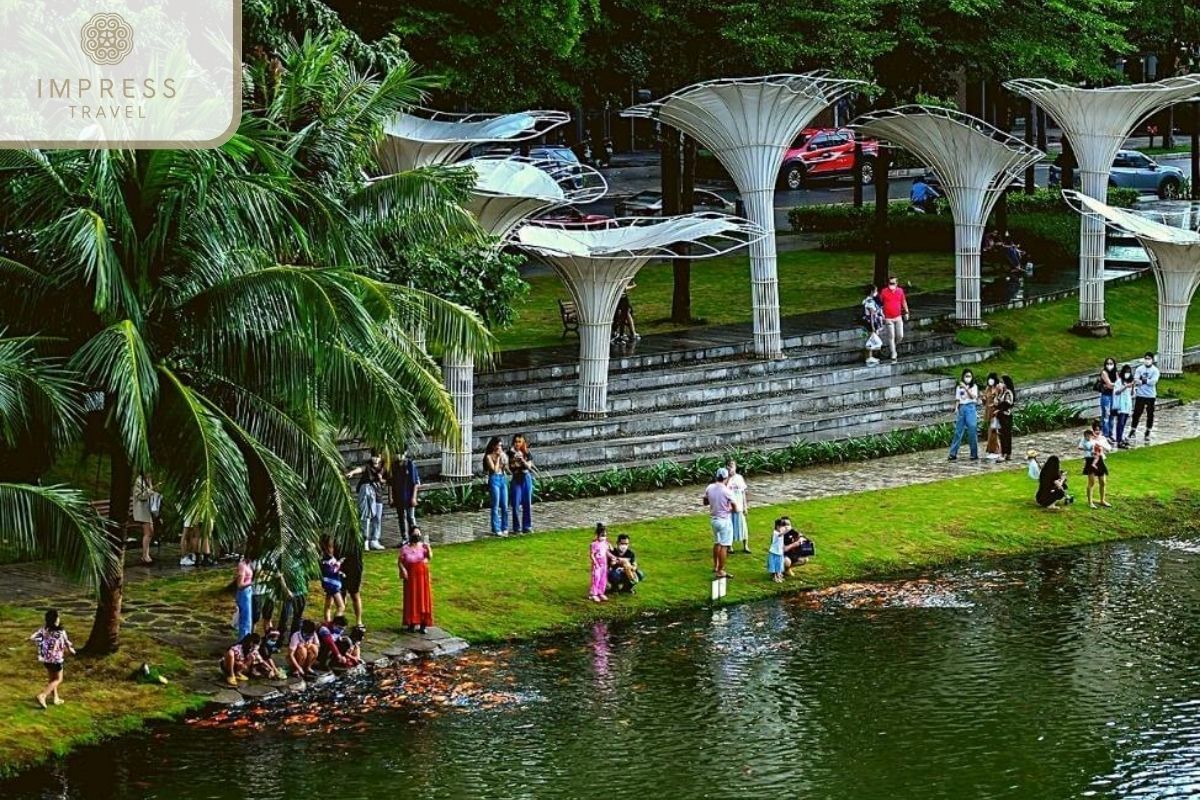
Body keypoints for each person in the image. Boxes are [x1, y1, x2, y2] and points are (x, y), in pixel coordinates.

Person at [31, 609, 75, 709]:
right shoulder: (61, 632)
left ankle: (56, 698)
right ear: (56, 620)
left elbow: (34, 637)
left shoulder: (44, 629)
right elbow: (67, 643)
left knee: (52, 679)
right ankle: (43, 695)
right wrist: (71, 650)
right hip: (56, 660)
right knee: (59, 679)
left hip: (46, 659)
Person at [347, 450, 387, 551]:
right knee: (366, 517)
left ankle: (375, 540)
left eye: (377, 457)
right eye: (374, 456)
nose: (375, 459)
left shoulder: (384, 468)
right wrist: (352, 472)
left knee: (377, 518)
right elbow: (360, 469)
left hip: (378, 495)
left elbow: (387, 480)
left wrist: (381, 479)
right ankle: (365, 540)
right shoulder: (368, 467)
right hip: (368, 495)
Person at [702, 468, 738, 579]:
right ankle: (721, 570)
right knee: (724, 545)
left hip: (714, 520)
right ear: (726, 478)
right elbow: (735, 507)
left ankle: (715, 565)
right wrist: (730, 509)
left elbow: (705, 501)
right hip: (724, 520)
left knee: (717, 542)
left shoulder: (710, 487)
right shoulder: (727, 491)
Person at [398, 529, 434, 633]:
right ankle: (412, 623)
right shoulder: (405, 548)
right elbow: (400, 561)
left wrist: (429, 548)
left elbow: (429, 557)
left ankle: (423, 624)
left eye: (418, 534)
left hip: (422, 576)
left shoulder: (423, 546)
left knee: (423, 598)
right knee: (411, 598)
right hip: (411, 576)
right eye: (415, 534)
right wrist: (403, 570)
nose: (417, 536)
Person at [389, 448, 422, 542]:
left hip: (408, 495)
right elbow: (390, 483)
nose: (399, 456)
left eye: (401, 454)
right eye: (397, 453)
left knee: (410, 517)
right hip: (398, 496)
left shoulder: (410, 464)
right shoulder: (393, 466)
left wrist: (414, 497)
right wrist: (391, 497)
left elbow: (415, 483)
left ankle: (415, 537)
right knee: (401, 518)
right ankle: (404, 538)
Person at [947, 369, 980, 461]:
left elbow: (973, 397)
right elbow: (958, 399)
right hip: (962, 408)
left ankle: (974, 453)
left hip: (970, 407)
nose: (968, 378)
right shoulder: (959, 387)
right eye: (966, 376)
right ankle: (953, 453)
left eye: (969, 376)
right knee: (958, 431)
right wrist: (956, 408)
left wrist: (966, 388)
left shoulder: (974, 387)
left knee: (972, 430)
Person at [1130, 352, 1160, 442]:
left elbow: (1153, 382)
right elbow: (1136, 380)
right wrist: (1146, 381)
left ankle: (1148, 431)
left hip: (1150, 395)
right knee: (1137, 413)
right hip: (1140, 394)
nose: (1147, 360)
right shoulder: (1139, 369)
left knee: (1150, 414)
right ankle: (1133, 429)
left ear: (1152, 360)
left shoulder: (1155, 370)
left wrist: (1142, 381)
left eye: (1149, 359)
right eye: (1146, 358)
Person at [878, 275, 909, 362]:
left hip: (898, 317)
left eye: (893, 283)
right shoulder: (884, 291)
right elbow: (880, 303)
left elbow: (903, 301)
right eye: (890, 283)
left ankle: (893, 346)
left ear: (896, 283)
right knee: (891, 336)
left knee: (900, 336)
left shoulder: (900, 291)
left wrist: (906, 312)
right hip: (888, 318)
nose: (891, 285)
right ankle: (893, 352)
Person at [483, 436, 510, 536]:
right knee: (496, 505)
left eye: (501, 446)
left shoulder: (502, 455)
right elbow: (494, 469)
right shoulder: (489, 457)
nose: (499, 447)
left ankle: (505, 527)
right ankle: (496, 528)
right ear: (494, 446)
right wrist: (498, 457)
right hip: (494, 479)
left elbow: (506, 468)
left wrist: (504, 458)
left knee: (505, 505)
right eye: (498, 445)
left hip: (502, 478)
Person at [508, 434, 535, 534]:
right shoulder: (510, 453)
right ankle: (516, 527)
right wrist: (514, 460)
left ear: (523, 442)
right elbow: (510, 466)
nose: (517, 444)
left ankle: (527, 526)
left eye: (519, 442)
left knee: (527, 502)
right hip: (516, 478)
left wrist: (523, 460)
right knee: (515, 503)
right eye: (516, 442)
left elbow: (529, 466)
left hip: (526, 477)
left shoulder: (526, 452)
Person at [1081, 428, 1112, 509]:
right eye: (1095, 430)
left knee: (1103, 482)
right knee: (1091, 482)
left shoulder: (1101, 438)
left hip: (1100, 460)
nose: (1097, 432)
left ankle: (1102, 500)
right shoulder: (1085, 439)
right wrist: (1090, 448)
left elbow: (1108, 448)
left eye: (1099, 430)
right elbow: (1081, 447)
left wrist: (1102, 446)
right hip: (1090, 460)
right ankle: (1090, 502)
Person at [726, 459, 750, 554]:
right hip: (729, 507)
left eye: (733, 465)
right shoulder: (726, 479)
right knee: (730, 526)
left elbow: (743, 493)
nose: (731, 467)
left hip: (739, 506)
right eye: (729, 465)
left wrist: (745, 506)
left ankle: (745, 545)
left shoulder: (739, 478)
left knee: (743, 526)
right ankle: (729, 545)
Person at [319, 537, 345, 621]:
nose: (333, 549)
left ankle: (327, 623)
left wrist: (340, 573)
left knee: (328, 606)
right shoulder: (327, 558)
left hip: (329, 583)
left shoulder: (324, 557)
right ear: (326, 547)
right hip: (332, 585)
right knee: (341, 607)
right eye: (331, 547)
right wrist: (339, 562)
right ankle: (334, 624)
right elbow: (331, 569)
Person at [132, 472, 155, 565]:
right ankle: (145, 556)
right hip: (141, 511)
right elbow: (140, 496)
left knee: (151, 532)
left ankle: (146, 554)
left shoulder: (147, 480)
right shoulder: (139, 481)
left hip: (147, 510)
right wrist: (150, 490)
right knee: (148, 532)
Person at [341, 542, 365, 629]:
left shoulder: (355, 539)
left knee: (355, 594)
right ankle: (341, 620)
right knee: (341, 596)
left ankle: (359, 621)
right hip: (342, 567)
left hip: (354, 567)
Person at [1113, 364, 1135, 449]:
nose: (1127, 374)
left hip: (1127, 406)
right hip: (1121, 406)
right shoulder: (1119, 382)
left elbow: (1132, 395)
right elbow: (1117, 392)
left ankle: (1122, 439)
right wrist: (1125, 387)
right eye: (1126, 372)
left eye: (1129, 372)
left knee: (1124, 423)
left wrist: (1132, 387)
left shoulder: (1130, 382)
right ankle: (1119, 440)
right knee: (1120, 423)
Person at [588, 523, 611, 603]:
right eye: (602, 535)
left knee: (603, 578)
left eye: (605, 535)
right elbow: (592, 554)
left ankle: (601, 592)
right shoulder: (594, 544)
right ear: (597, 535)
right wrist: (595, 563)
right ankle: (593, 594)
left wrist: (612, 557)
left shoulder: (605, 544)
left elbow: (607, 552)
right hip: (597, 564)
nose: (603, 537)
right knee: (596, 578)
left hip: (604, 564)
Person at [862, 284, 884, 365]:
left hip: (869, 322)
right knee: (872, 340)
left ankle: (869, 357)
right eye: (875, 291)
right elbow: (872, 315)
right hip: (870, 323)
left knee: (871, 339)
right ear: (872, 291)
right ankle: (869, 357)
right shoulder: (870, 302)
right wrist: (873, 326)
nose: (876, 292)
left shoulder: (868, 300)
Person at [996, 375, 1016, 461]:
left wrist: (999, 410)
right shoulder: (1002, 392)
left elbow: (1007, 404)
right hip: (1001, 416)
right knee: (1002, 435)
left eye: (1002, 382)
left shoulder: (1008, 392)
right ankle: (1005, 452)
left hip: (1006, 416)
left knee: (1006, 435)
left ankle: (1005, 453)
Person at [982, 372, 1002, 460]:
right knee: (990, 431)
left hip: (995, 412)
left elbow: (999, 399)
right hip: (989, 412)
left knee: (994, 431)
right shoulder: (988, 388)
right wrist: (983, 399)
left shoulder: (998, 388)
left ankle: (997, 450)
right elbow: (985, 399)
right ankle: (991, 450)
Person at [1098, 357, 1118, 439]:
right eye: (1108, 363)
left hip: (1113, 395)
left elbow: (1119, 383)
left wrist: (1113, 385)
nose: (1109, 365)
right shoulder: (1104, 372)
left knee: (1112, 415)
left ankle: (1110, 433)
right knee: (1106, 415)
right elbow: (1109, 384)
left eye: (1111, 363)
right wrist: (1114, 385)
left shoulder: (1115, 372)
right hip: (1106, 396)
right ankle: (1105, 434)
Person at [234, 556, 254, 640]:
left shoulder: (249, 564)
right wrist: (252, 583)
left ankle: (246, 640)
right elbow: (240, 584)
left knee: (248, 619)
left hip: (248, 592)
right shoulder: (242, 565)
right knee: (245, 620)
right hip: (244, 593)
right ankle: (242, 641)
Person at [767, 518, 787, 583]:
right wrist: (786, 530)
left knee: (779, 564)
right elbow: (780, 535)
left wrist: (783, 547)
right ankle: (774, 576)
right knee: (774, 564)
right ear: (778, 526)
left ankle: (778, 575)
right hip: (774, 552)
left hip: (779, 551)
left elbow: (781, 541)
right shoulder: (775, 533)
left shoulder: (780, 533)